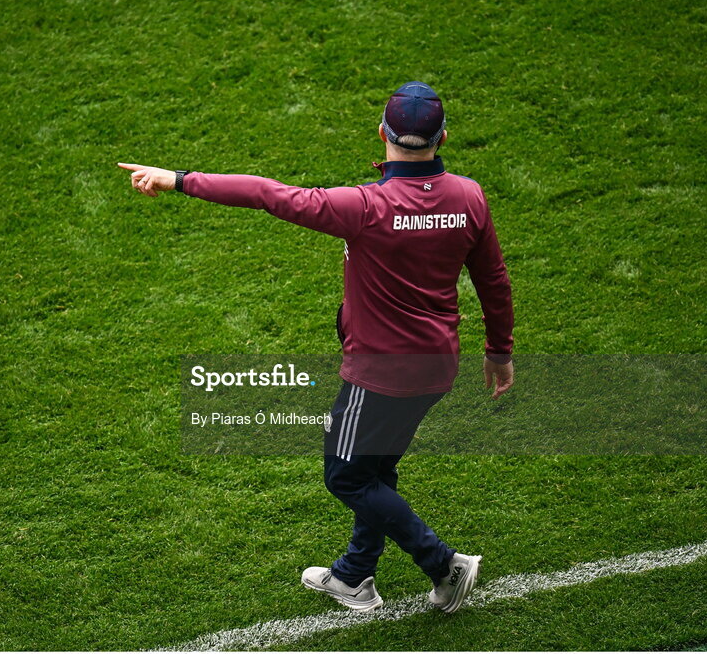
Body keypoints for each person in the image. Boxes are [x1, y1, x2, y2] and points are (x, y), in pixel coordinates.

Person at [118, 81, 514, 614]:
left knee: (346, 473)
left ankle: (444, 564)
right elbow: (493, 279)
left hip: (378, 375)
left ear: (382, 133)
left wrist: (179, 180)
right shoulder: (469, 197)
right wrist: (499, 351)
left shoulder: (364, 206)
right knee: (375, 470)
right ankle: (354, 576)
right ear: (442, 137)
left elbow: (267, 193)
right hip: (436, 367)